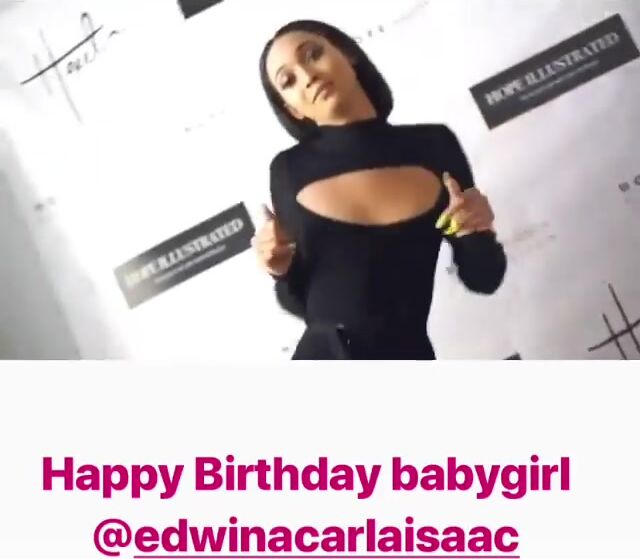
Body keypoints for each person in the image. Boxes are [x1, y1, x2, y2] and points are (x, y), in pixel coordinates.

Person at [254, 19, 507, 359]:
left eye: (313, 55)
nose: (308, 76)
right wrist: (281, 269)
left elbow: (485, 278)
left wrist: (479, 233)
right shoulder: (288, 171)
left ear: (346, 53)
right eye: (288, 80)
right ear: (292, 109)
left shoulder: (434, 145)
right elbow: (300, 302)